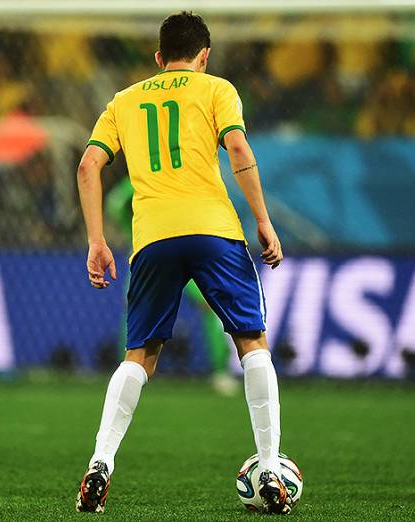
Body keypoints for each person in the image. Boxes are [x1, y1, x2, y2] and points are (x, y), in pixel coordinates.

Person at [74, 11, 288, 514]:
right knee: (251, 343)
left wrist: (96, 241)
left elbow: (88, 165)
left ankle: (100, 462)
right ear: (204, 56)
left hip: (153, 236)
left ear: (157, 57)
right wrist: (263, 220)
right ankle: (270, 466)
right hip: (214, 230)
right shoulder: (217, 89)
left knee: (140, 356)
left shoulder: (124, 101)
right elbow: (237, 147)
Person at [105, 177, 241, 395]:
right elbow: (115, 203)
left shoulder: (159, 170)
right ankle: (130, 371)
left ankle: (219, 371)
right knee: (140, 310)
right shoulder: (157, 171)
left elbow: (115, 203)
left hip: (164, 249)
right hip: (173, 248)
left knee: (207, 306)